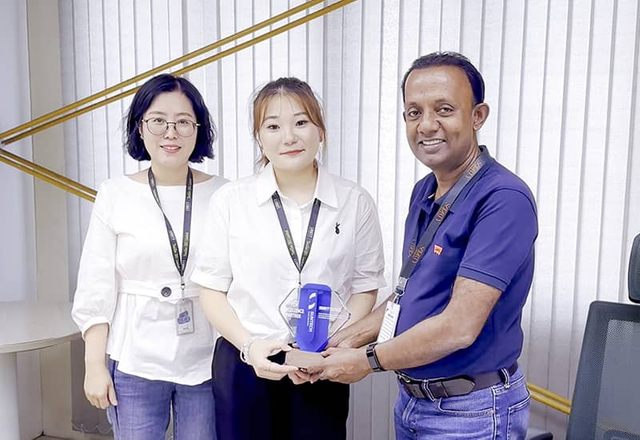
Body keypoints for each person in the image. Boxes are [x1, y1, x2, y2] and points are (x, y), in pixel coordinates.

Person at [306, 52, 538, 439]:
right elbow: (407, 294)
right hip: (414, 402)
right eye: (414, 112)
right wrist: (340, 342)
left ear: (478, 116)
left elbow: (458, 328)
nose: (427, 125)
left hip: (471, 412)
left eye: (444, 109)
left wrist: (366, 360)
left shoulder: (503, 198)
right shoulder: (425, 190)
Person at [191, 77, 386, 440]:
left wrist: (333, 346)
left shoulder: (354, 201)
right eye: (273, 126)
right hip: (246, 360)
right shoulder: (232, 201)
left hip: (321, 363)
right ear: (259, 137)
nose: (289, 137)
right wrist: (250, 346)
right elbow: (212, 290)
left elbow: (365, 286)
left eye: (301, 122)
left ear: (320, 130)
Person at [71, 73, 227, 439]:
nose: (170, 132)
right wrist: (94, 363)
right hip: (135, 357)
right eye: (157, 120)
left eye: (183, 122)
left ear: (198, 130)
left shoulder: (225, 194)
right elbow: (96, 285)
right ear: (140, 128)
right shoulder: (115, 193)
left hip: (206, 358)